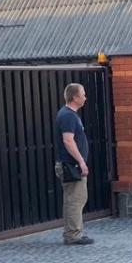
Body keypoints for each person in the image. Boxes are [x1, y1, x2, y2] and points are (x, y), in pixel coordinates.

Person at [55, 83, 94, 246]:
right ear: (75, 97)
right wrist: (81, 161)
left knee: (75, 199)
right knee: (75, 200)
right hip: (71, 165)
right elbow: (68, 141)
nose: (85, 97)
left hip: (70, 165)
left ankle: (74, 232)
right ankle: (73, 235)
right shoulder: (68, 116)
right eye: (83, 94)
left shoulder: (68, 114)